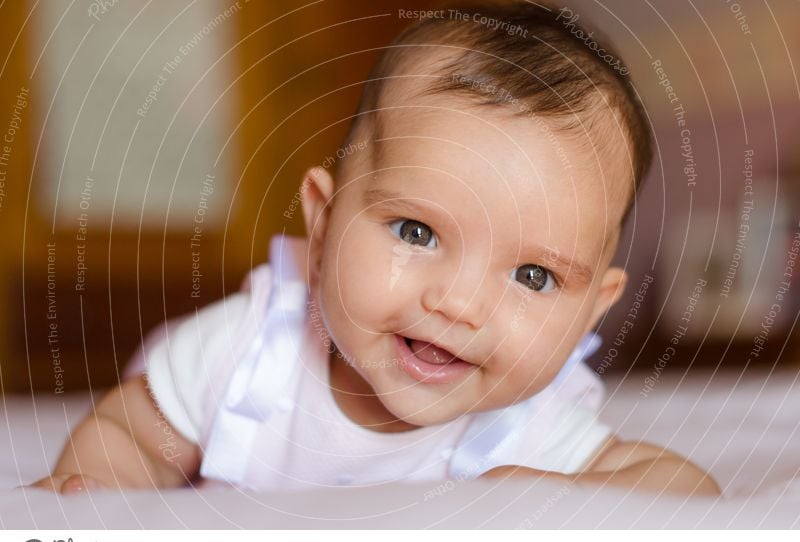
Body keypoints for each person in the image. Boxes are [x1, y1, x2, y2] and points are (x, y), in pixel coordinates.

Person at [35, 1, 719, 495]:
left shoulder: (529, 428)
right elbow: (131, 428)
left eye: (534, 275)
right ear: (326, 224)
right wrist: (109, 487)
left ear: (591, 310)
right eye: (416, 233)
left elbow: (684, 487)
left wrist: (545, 493)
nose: (457, 302)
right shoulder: (252, 351)